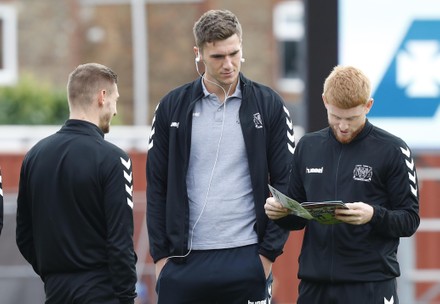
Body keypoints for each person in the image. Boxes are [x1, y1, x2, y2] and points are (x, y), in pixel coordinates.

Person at [146, 9, 295, 304]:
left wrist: (266, 256)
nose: (228, 64)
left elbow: (286, 183)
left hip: (247, 256)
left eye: (234, 53)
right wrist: (162, 259)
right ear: (198, 53)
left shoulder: (269, 105)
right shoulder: (171, 107)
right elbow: (157, 185)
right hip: (182, 260)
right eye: (217, 57)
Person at [265, 65, 420, 304]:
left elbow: (409, 219)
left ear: (368, 106)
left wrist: (373, 215)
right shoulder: (307, 146)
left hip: (370, 285)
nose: (343, 126)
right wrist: (279, 212)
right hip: (314, 285)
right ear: (325, 101)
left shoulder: (393, 150)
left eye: (352, 118)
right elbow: (296, 218)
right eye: (336, 117)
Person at [16, 63, 137, 304]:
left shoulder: (34, 156)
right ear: (102, 97)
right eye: (115, 99)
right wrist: (126, 296)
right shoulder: (114, 159)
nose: (114, 111)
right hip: (102, 292)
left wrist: (56, 275)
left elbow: (24, 235)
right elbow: (120, 240)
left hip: (55, 292)